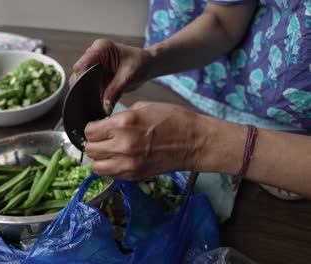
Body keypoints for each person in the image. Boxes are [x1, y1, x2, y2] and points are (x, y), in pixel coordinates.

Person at [70, 0, 311, 198]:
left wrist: (198, 142)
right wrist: (149, 60)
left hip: (293, 149)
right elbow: (223, 21)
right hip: (218, 98)